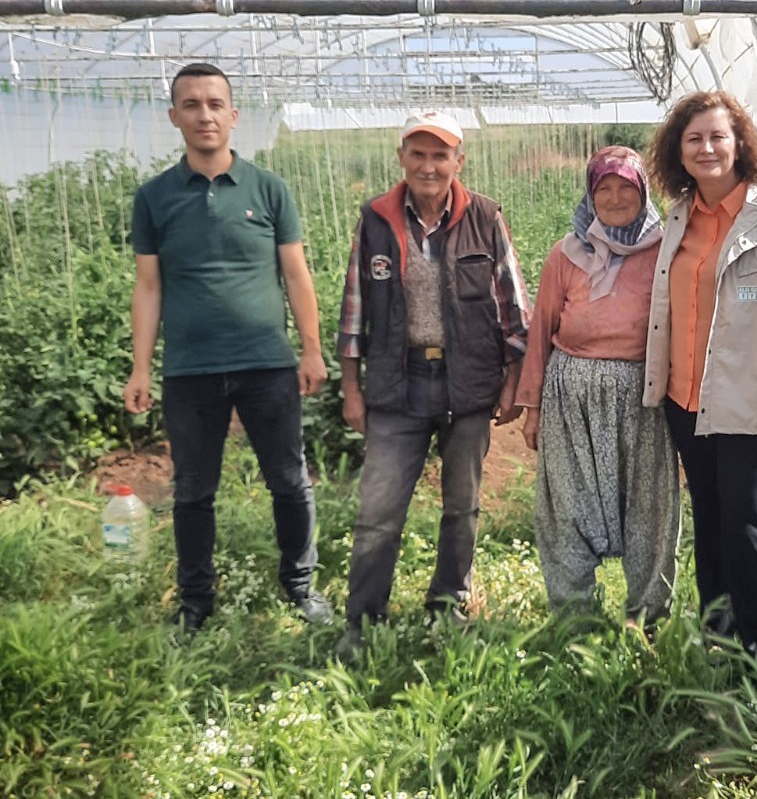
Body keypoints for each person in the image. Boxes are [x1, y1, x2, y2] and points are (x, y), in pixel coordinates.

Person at [124, 62, 332, 632]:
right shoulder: (154, 197)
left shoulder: (268, 189)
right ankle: (196, 604)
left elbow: (296, 275)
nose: (204, 114)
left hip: (266, 362)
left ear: (234, 116)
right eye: (191, 104)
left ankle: (300, 587)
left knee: (289, 480)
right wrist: (141, 366)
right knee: (192, 490)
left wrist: (310, 350)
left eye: (215, 103)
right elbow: (148, 285)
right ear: (174, 117)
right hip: (190, 370)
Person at [643, 91, 757, 666]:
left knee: (747, 529)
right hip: (687, 401)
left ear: (739, 144)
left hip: (750, 402)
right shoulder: (678, 219)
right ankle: (719, 640)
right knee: (711, 521)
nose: (706, 148)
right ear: (679, 150)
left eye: (717, 136)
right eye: (694, 138)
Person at [335, 110, 530, 658]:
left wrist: (512, 379)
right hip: (398, 386)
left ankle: (448, 605)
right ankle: (363, 622)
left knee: (462, 506)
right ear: (401, 158)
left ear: (458, 162)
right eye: (417, 154)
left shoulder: (485, 218)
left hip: (467, 382)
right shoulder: (375, 219)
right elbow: (354, 311)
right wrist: (352, 388)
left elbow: (514, 307)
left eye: (439, 155)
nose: (428, 165)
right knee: (378, 510)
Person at [516, 146, 681, 624]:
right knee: (566, 505)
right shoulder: (565, 253)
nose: (613, 198)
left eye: (625, 187)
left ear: (643, 191)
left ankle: (648, 618)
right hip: (571, 397)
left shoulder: (666, 252)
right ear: (590, 195)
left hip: (641, 399)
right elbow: (541, 329)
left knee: (649, 509)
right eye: (602, 188)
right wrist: (533, 408)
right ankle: (575, 618)